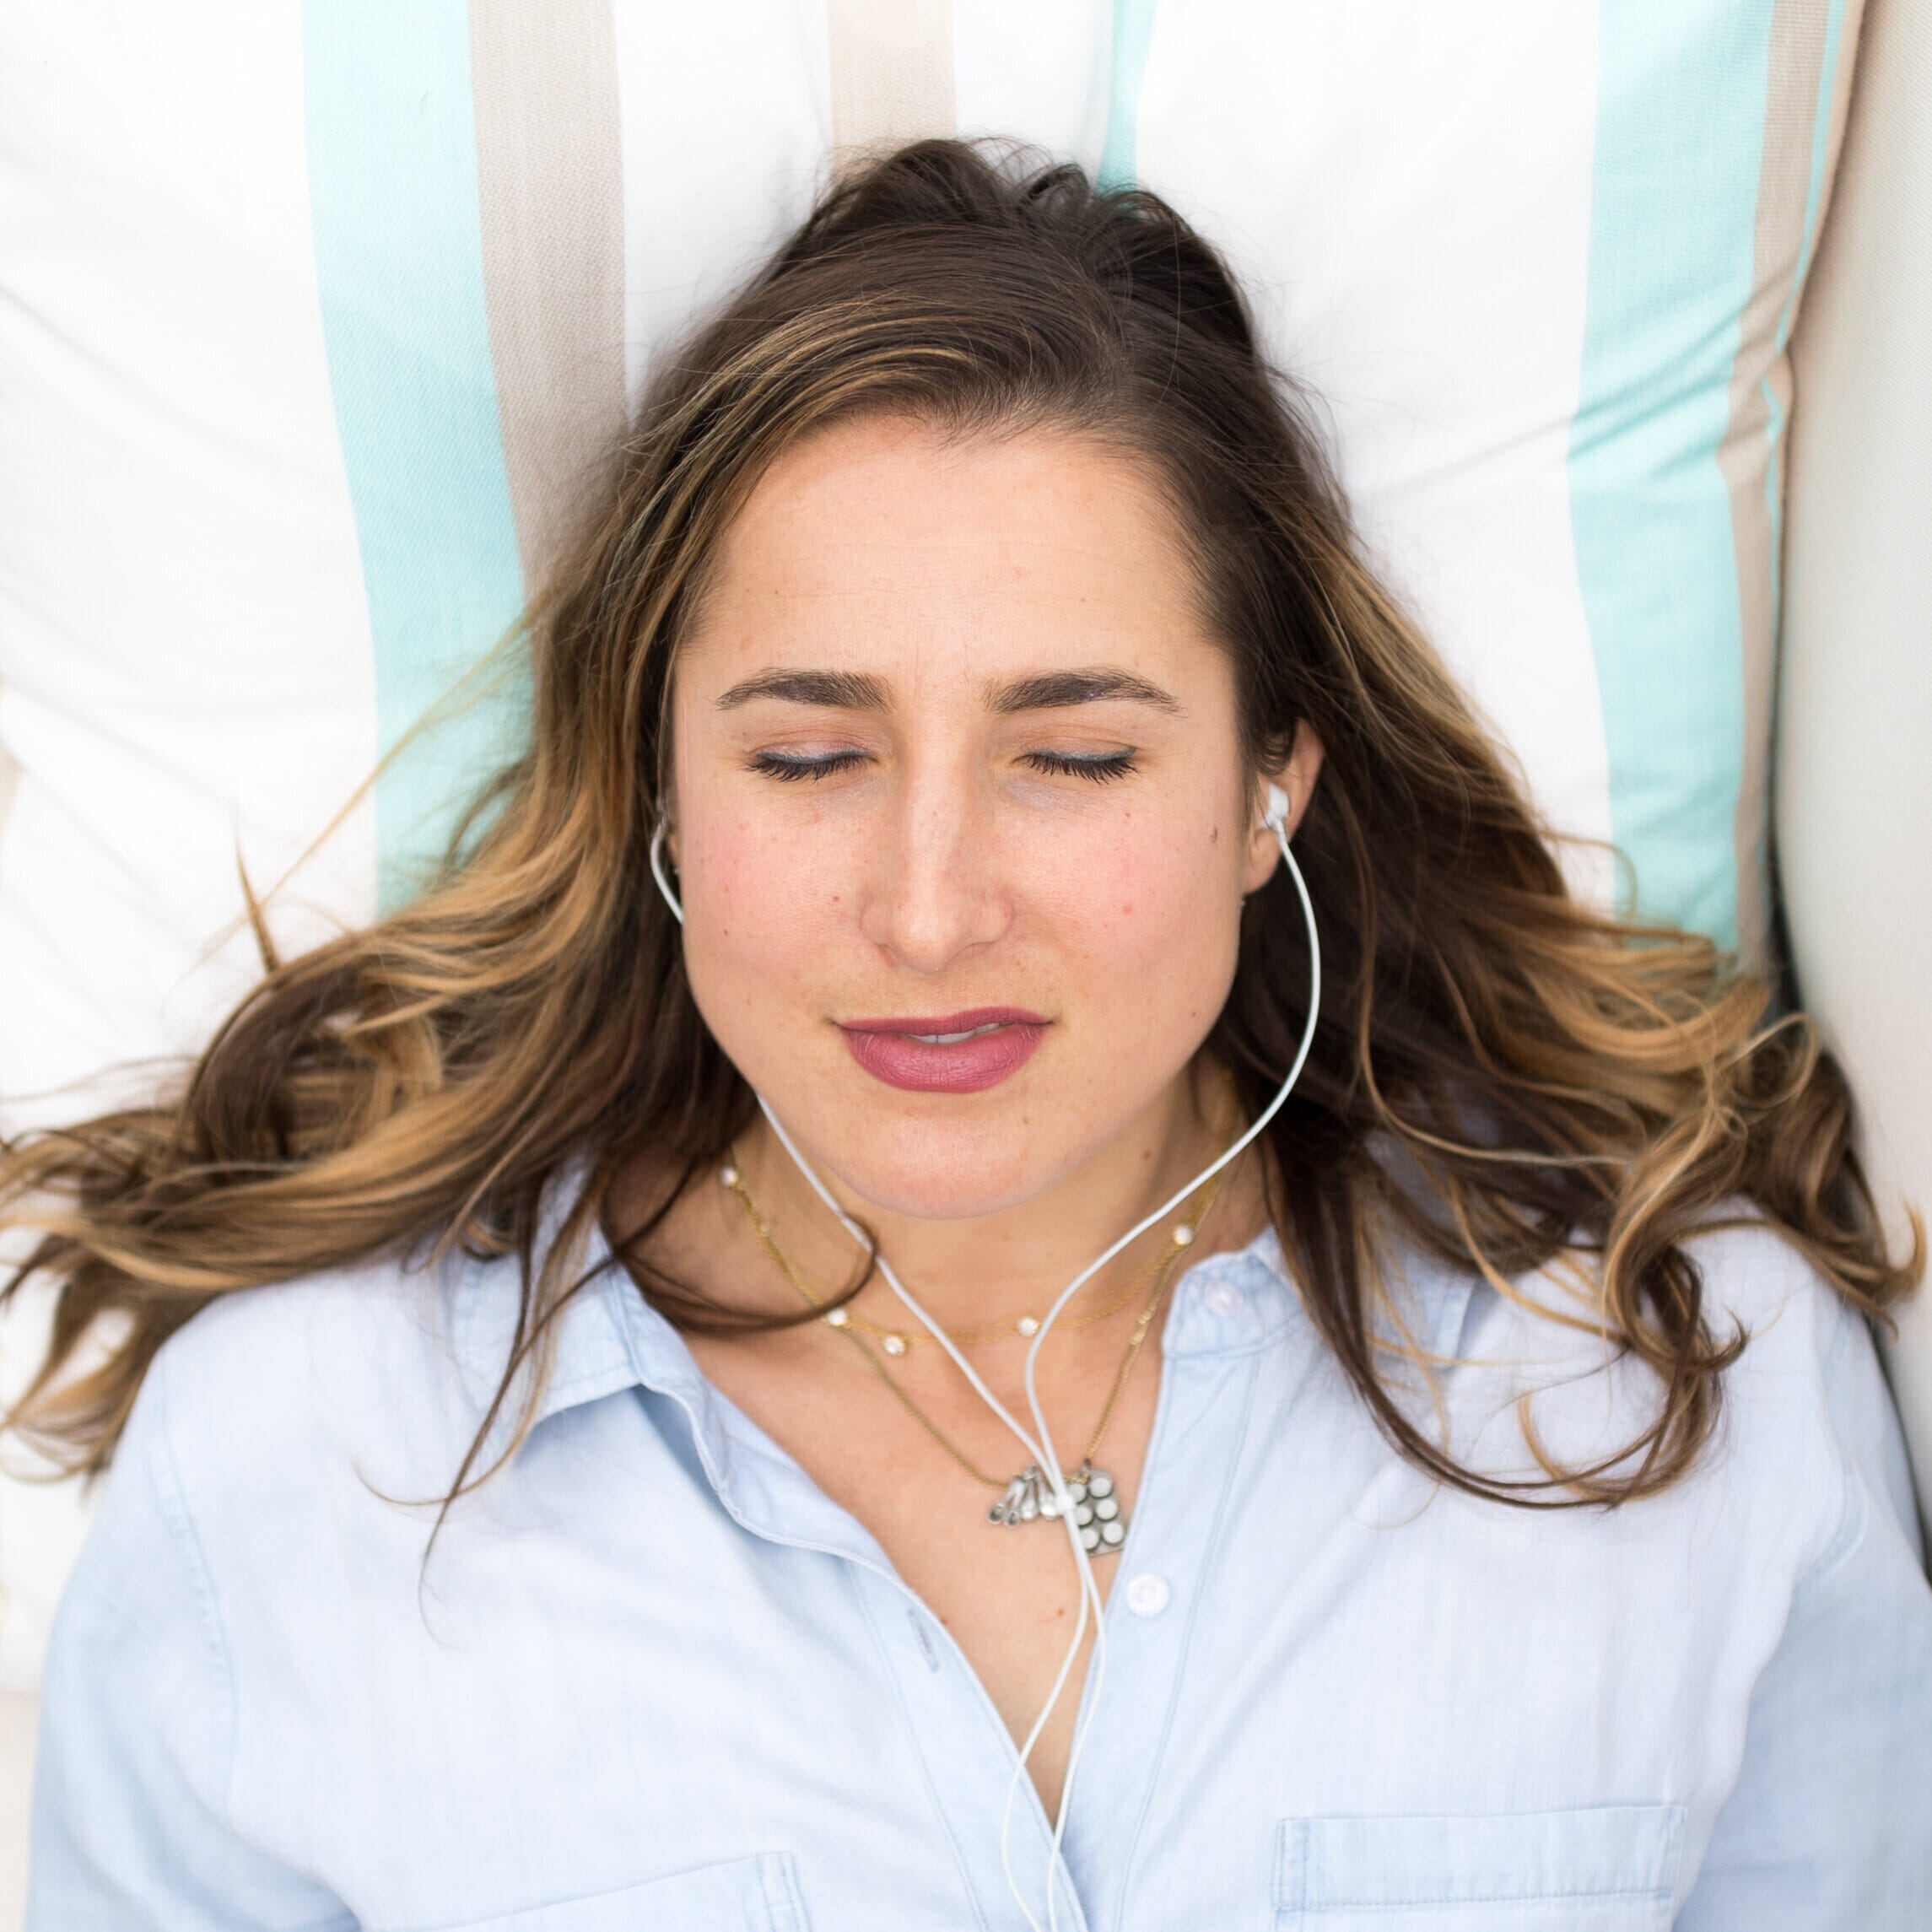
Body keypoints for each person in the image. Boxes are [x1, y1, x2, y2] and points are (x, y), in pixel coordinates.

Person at [5, 139, 1929, 1931]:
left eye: (1072, 755)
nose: (928, 909)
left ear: (1270, 782)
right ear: (663, 789)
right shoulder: (295, 1459)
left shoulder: (1678, 1373)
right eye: (809, 755)